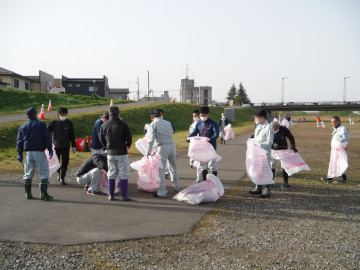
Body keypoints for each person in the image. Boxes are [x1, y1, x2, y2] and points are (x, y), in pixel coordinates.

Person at [17, 107, 54, 200]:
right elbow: (47, 138)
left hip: (28, 153)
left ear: (27, 116)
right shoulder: (41, 125)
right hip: (39, 152)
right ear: (35, 115)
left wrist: (19, 153)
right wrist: (50, 149)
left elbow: (19, 141)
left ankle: (28, 194)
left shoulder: (22, 127)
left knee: (28, 173)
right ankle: (43, 194)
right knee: (44, 173)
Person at [100, 106, 132, 201]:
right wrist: (128, 144)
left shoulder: (104, 125)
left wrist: (106, 146)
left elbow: (101, 139)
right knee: (123, 174)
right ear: (118, 114)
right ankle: (124, 196)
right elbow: (129, 136)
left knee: (111, 173)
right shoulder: (123, 124)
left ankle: (111, 195)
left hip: (110, 152)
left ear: (109, 114)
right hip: (121, 152)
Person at [147, 108, 179, 198]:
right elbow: (172, 131)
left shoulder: (153, 124)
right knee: (173, 166)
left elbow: (150, 140)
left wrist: (148, 152)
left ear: (151, 116)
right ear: (160, 115)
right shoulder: (167, 122)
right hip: (172, 145)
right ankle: (176, 186)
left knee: (161, 170)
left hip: (162, 147)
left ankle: (162, 192)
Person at [189, 106, 219, 182]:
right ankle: (205, 183)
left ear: (208, 114)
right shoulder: (199, 123)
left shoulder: (213, 123)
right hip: (202, 148)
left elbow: (216, 134)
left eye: (204, 115)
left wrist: (211, 139)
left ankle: (213, 183)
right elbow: (194, 132)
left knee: (212, 166)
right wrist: (189, 137)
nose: (202, 117)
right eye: (201, 115)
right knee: (203, 166)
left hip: (211, 148)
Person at [249, 110, 274, 198]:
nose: (255, 120)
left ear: (262, 118)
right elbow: (257, 138)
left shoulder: (269, 127)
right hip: (257, 152)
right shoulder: (259, 126)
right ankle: (258, 187)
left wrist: (258, 145)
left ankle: (267, 190)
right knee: (257, 170)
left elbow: (269, 143)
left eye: (256, 118)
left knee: (266, 171)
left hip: (265, 153)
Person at [48, 107, 76, 185]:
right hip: (55, 146)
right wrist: (48, 143)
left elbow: (72, 135)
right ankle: (60, 172)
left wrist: (74, 146)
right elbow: (47, 133)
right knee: (56, 163)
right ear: (58, 114)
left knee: (65, 162)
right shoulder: (53, 122)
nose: (64, 115)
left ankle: (62, 178)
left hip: (66, 146)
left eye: (65, 114)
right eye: (62, 114)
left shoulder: (69, 123)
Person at [321, 116, 350, 184]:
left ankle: (344, 179)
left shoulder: (343, 129)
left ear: (338, 121)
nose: (332, 123)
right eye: (331, 122)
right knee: (333, 163)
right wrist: (332, 149)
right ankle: (330, 178)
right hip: (334, 150)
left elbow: (346, 139)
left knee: (341, 163)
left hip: (340, 150)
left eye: (333, 122)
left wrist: (339, 146)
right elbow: (334, 140)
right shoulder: (335, 129)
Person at [270, 121, 297, 187]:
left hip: (283, 149)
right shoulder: (269, 129)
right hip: (273, 150)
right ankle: (271, 182)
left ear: (278, 126)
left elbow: (291, 137)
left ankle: (286, 182)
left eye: (275, 128)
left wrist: (293, 146)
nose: (274, 129)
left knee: (285, 165)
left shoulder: (283, 129)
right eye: (273, 128)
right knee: (272, 165)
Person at [158, 108, 175, 179]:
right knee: (161, 162)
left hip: (167, 144)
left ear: (162, 114)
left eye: (161, 114)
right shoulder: (154, 123)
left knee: (169, 162)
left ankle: (167, 173)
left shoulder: (167, 122)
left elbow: (173, 130)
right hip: (160, 144)